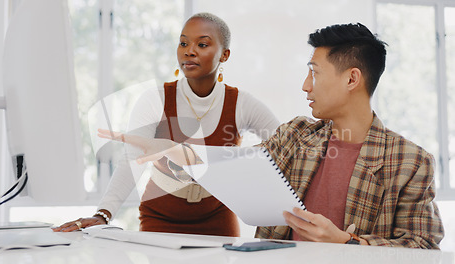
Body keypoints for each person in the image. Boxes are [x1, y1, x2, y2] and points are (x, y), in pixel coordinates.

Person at [103, 23, 444, 249]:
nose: (305, 85)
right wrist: (174, 152)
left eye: (314, 73)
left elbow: (424, 248)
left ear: (352, 79)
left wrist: (347, 242)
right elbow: (237, 170)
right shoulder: (296, 134)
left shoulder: (410, 161)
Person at [53, 12, 279, 237]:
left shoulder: (241, 103)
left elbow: (285, 146)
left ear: (225, 55)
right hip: (160, 218)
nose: (189, 51)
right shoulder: (155, 100)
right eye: (183, 43)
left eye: (202, 44)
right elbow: (132, 160)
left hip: (217, 218)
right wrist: (103, 214)